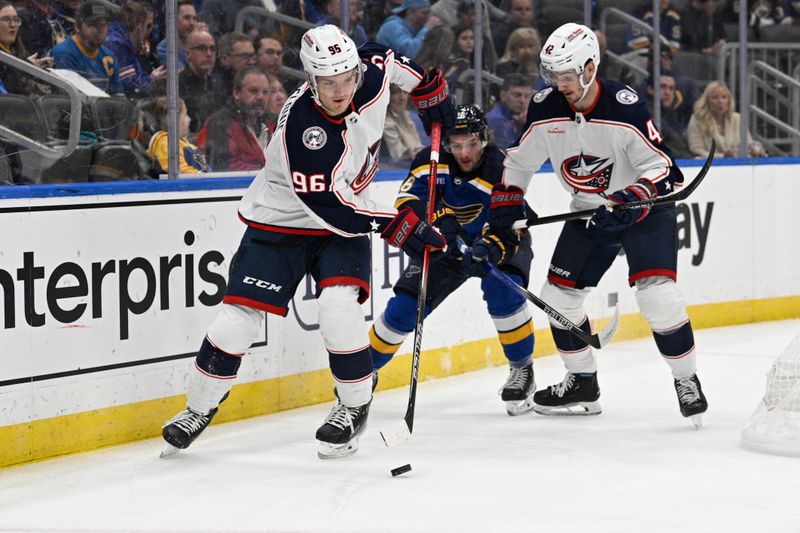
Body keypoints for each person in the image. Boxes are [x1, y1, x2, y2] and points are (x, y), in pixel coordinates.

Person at [161, 24, 454, 459]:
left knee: (338, 307)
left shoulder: (368, 73)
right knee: (237, 320)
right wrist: (400, 225)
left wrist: (430, 92)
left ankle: (353, 406)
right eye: (327, 83)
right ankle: (198, 408)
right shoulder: (303, 129)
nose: (340, 91)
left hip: (346, 209)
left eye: (346, 78)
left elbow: (386, 57)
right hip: (286, 219)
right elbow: (331, 206)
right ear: (310, 81)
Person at [485, 23, 708, 423]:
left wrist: (632, 197)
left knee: (658, 296)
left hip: (644, 210)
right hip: (589, 210)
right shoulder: (546, 106)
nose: (559, 84)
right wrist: (508, 199)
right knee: (557, 300)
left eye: (567, 75)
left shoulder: (624, 106)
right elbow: (518, 161)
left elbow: (664, 169)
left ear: (590, 68)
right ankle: (583, 382)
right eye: (552, 75)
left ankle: (686, 378)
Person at [371, 105, 538, 415]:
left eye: (471, 143)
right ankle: (363, 372)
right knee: (407, 306)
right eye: (456, 145)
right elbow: (406, 204)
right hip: (444, 246)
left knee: (504, 290)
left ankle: (522, 369)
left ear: (485, 140)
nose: (464, 152)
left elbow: (511, 222)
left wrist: (490, 245)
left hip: (493, 242)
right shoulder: (428, 161)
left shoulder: (503, 168)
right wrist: (437, 221)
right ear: (446, 144)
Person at [197, 66, 272, 172]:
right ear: (236, 93)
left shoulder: (273, 122)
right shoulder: (220, 123)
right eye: (253, 91)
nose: (260, 97)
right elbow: (225, 167)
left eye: (265, 92)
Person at [51, 0, 123, 95]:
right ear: (77, 26)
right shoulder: (64, 53)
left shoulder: (109, 56)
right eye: (92, 25)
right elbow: (71, 102)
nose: (99, 30)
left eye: (103, 25)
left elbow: (118, 98)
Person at [686, 81, 767, 159]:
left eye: (724, 97)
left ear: (729, 100)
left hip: (738, 164)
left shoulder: (737, 119)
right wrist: (722, 157)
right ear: (707, 101)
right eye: (715, 97)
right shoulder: (697, 119)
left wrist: (756, 150)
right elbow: (696, 150)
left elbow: (749, 146)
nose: (720, 102)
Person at [105, 2, 166, 97]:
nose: (149, 33)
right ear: (137, 23)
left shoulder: (125, 43)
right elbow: (132, 88)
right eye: (148, 26)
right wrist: (153, 79)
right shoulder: (116, 44)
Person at [179, 29, 227, 134]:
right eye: (202, 48)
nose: (209, 54)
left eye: (212, 49)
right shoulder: (173, 86)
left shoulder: (219, 85)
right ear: (187, 54)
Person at [0, 1, 55, 94]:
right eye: (6, 19)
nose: (13, 25)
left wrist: (36, 70)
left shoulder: (18, 52)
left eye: (16, 20)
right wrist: (26, 67)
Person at [148, 97, 208, 174]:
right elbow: (178, 171)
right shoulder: (165, 142)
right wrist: (199, 176)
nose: (189, 119)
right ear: (174, 121)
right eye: (185, 115)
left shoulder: (182, 142)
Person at [375, 0, 441, 59]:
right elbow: (409, 52)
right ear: (410, 12)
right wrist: (426, 28)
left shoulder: (415, 27)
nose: (428, 16)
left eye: (429, 12)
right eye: (424, 13)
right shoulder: (393, 26)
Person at [486, 73, 534, 149]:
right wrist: (527, 125)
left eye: (527, 96)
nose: (522, 101)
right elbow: (511, 155)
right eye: (516, 95)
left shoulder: (525, 115)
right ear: (503, 96)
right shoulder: (497, 120)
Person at [382, 84, 424, 166]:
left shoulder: (408, 117)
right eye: (396, 92)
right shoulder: (386, 123)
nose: (402, 98)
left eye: (405, 92)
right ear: (388, 96)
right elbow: (399, 157)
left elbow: (419, 147)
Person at [156, 0, 196, 70]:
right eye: (187, 18)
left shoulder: (198, 45)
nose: (192, 23)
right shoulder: (164, 48)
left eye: (194, 18)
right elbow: (181, 77)